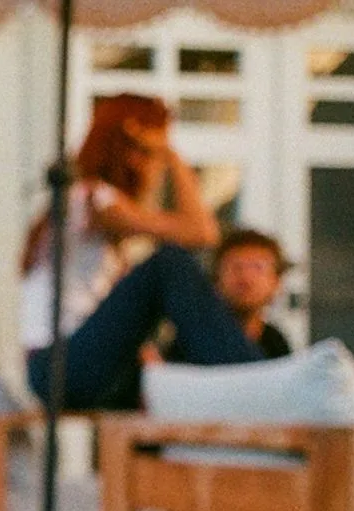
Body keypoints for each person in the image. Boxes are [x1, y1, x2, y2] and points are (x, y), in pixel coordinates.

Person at [20, 93, 263, 410]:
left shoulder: (90, 208)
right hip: (58, 367)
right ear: (130, 151)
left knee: (170, 371)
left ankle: (236, 390)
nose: (154, 165)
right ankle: (255, 381)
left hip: (68, 366)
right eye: (150, 152)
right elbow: (202, 232)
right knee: (168, 264)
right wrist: (171, 154)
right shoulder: (96, 200)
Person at [160, 229, 294, 363]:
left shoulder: (277, 344)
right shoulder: (190, 340)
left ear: (277, 282)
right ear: (216, 280)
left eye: (258, 268)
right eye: (236, 267)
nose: (246, 278)